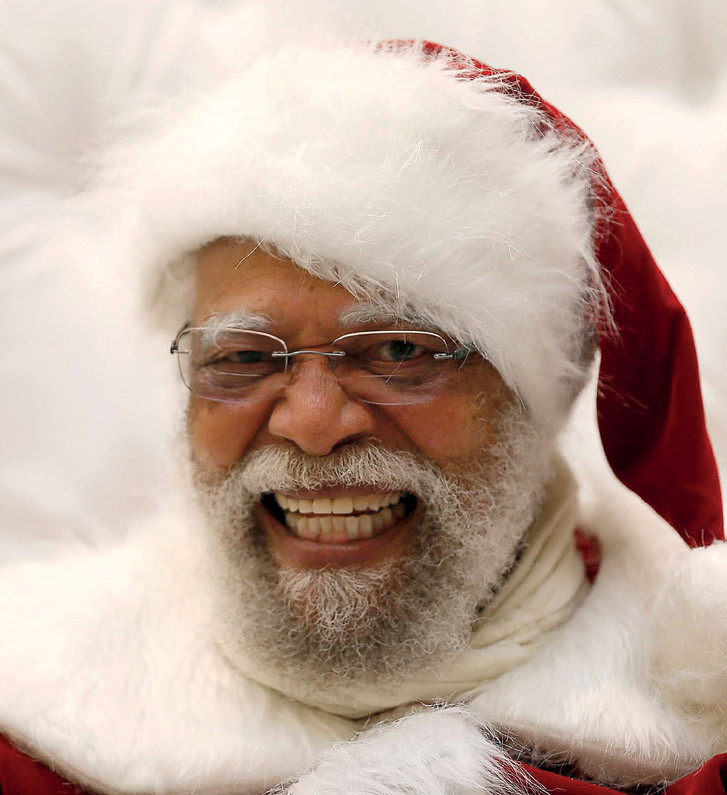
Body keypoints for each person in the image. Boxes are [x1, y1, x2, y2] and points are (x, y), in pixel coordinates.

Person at [0, 35, 725, 795]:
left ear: (532, 399)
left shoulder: (700, 734)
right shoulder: (32, 730)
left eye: (399, 351)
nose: (312, 425)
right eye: (243, 356)